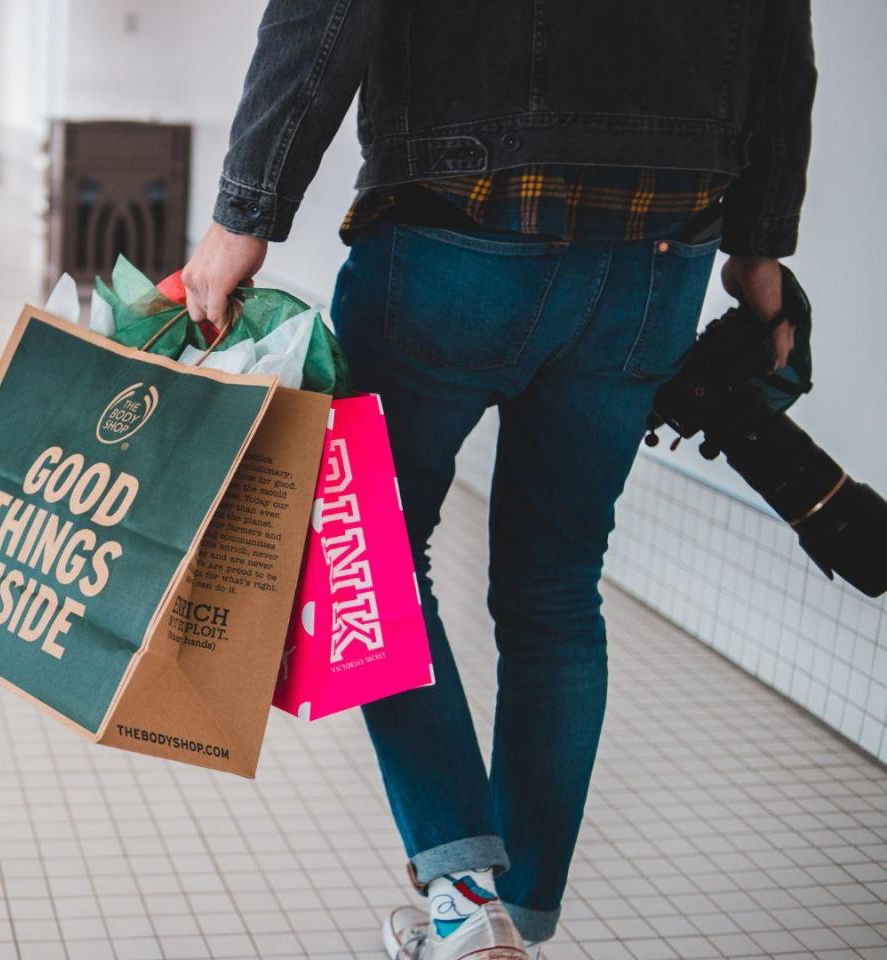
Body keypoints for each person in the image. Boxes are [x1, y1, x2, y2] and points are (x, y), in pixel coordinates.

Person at [180, 3, 816, 958]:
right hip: (661, 252)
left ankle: (462, 900)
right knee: (556, 590)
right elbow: (781, 44)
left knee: (376, 554)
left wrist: (243, 219)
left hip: (454, 229)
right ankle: (516, 920)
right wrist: (760, 255)